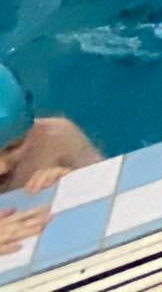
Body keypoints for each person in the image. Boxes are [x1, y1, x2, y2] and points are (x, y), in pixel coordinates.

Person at [0, 62, 101, 252]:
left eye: (14, 146)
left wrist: (74, 179)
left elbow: (109, 186)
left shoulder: (57, 139)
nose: (2, 167)